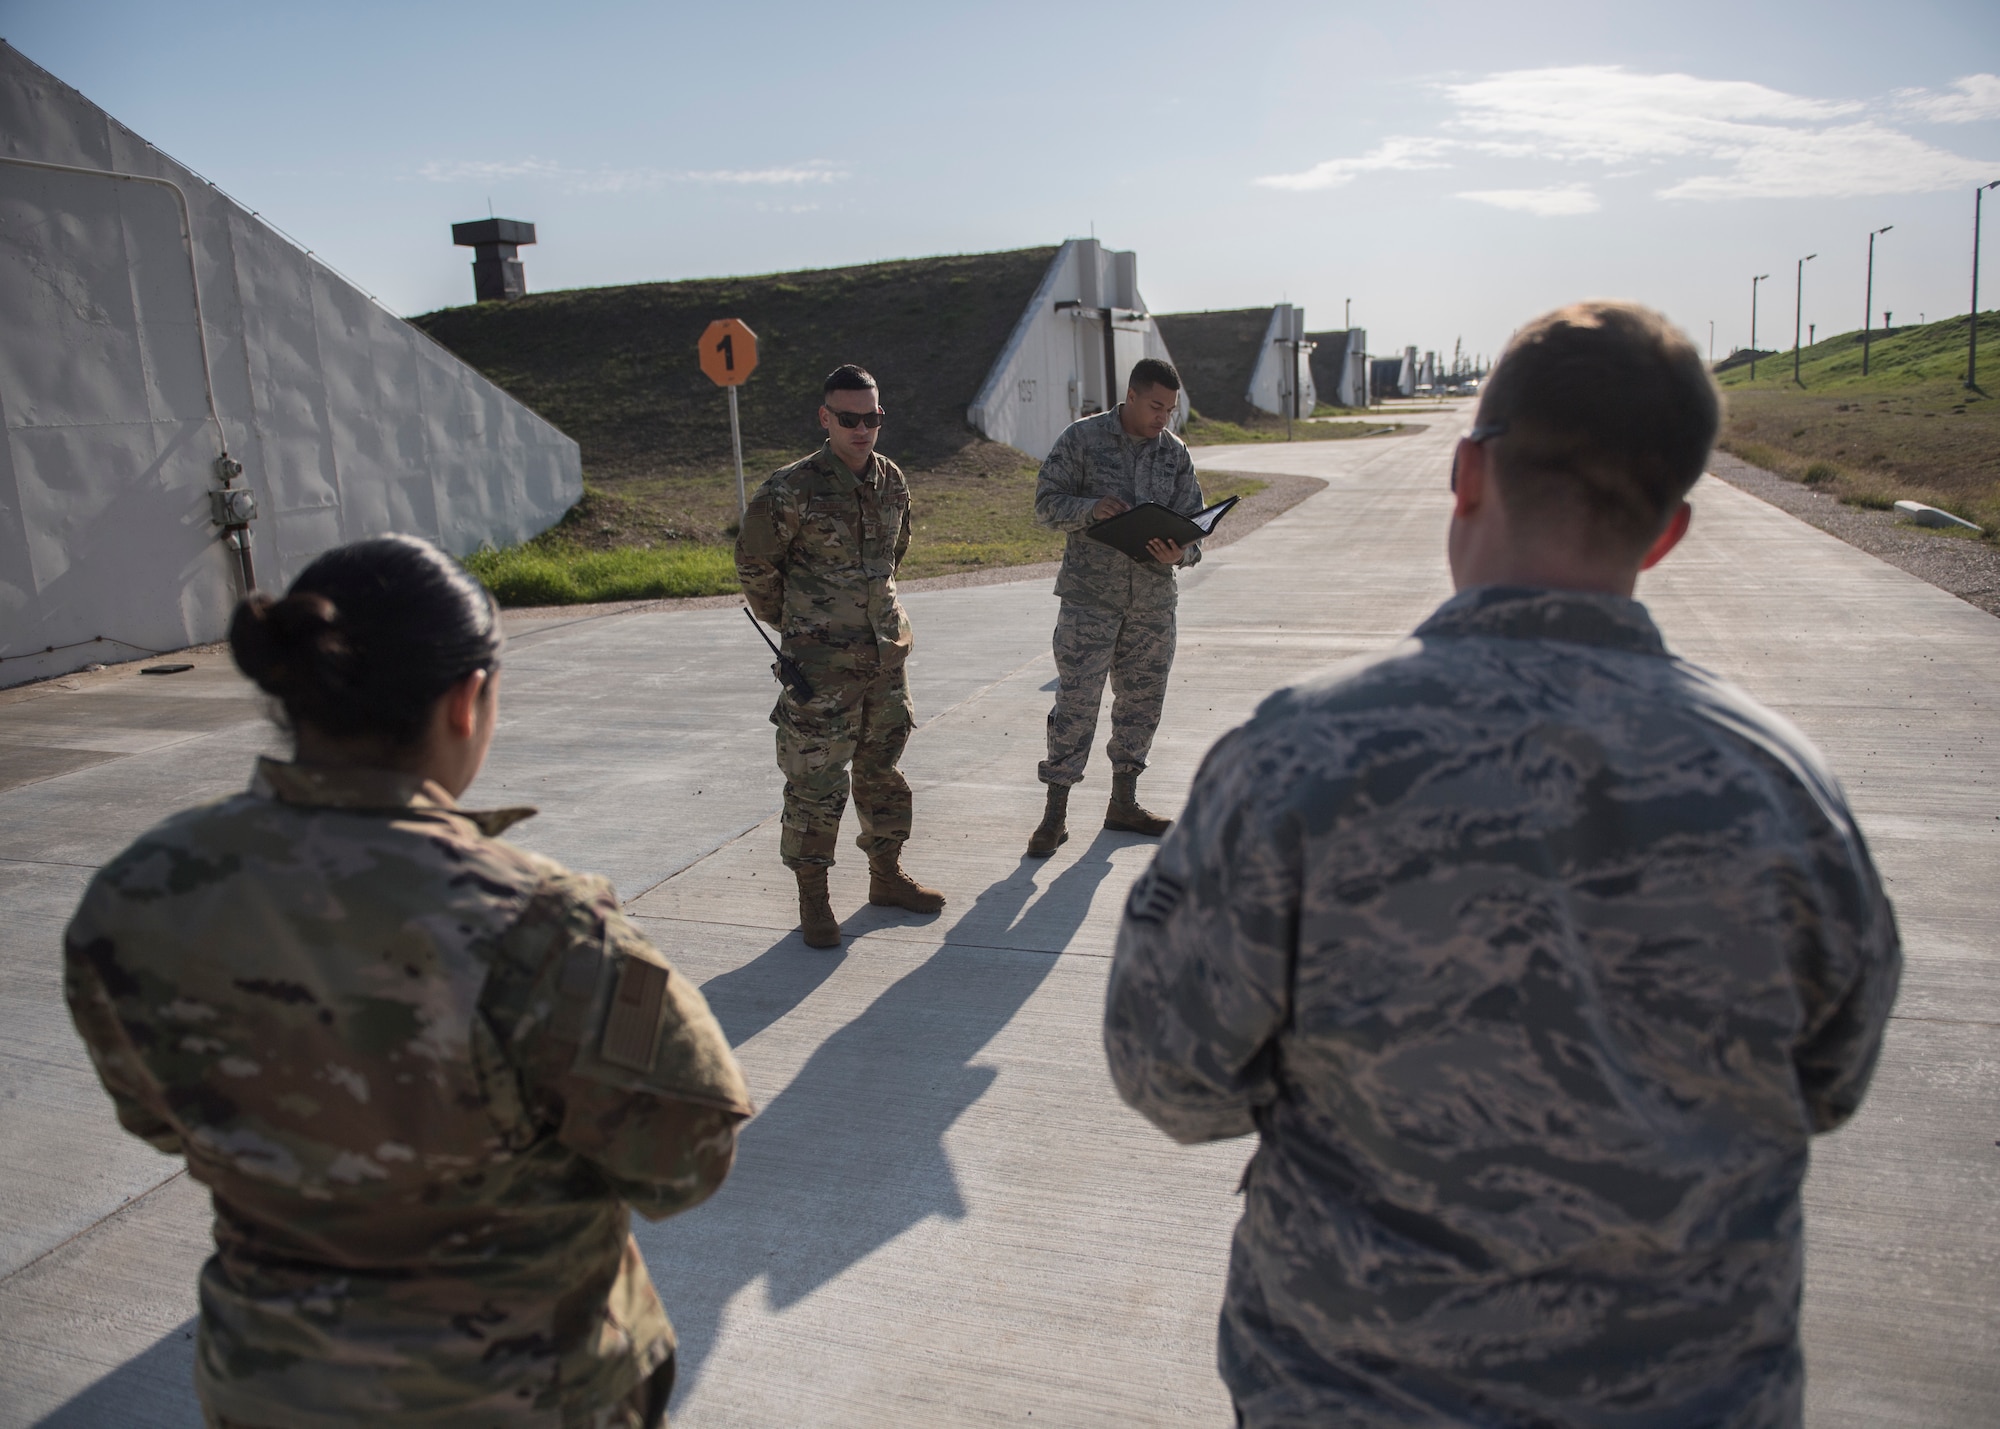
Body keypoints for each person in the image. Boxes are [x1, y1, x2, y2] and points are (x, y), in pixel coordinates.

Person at [1104, 302, 1902, 1427]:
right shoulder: (1783, 789)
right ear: (1666, 531)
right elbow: (1825, 1082)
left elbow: (1164, 1073)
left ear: (1466, 474)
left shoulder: (1297, 761)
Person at [64, 535, 751, 1429]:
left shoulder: (137, 891)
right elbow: (685, 1162)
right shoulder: (541, 925)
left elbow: (157, 1115)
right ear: (466, 700)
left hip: (270, 1388)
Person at [735, 364, 944, 949]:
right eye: (849, 418)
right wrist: (802, 626)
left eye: (872, 417)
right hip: (820, 669)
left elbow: (894, 555)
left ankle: (886, 878)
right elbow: (755, 566)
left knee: (881, 773)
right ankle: (815, 902)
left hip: (885, 660)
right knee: (815, 782)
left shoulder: (892, 480)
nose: (862, 429)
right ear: (825, 418)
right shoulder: (790, 489)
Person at [1026, 357, 1204, 857]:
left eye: (1169, 409)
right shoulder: (1081, 439)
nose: (1162, 418)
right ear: (1130, 396)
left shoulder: (1175, 455)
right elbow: (1044, 504)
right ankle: (1054, 815)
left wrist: (1183, 552)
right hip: (1090, 599)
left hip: (1151, 602)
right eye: (1155, 406)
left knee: (1141, 703)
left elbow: (1196, 525)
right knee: (1077, 704)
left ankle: (1123, 802)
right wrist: (1090, 509)